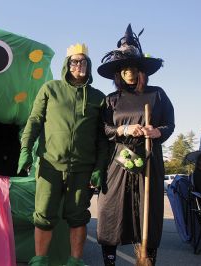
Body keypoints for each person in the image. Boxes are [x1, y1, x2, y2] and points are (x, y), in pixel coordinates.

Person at [17, 43, 108, 266]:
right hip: (49, 164)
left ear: (89, 64)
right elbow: (34, 121)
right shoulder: (50, 89)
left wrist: (99, 167)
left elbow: (103, 138)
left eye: (83, 61)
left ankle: (75, 262)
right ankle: (40, 260)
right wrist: (26, 150)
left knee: (78, 218)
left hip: (82, 168)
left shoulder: (98, 97)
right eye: (75, 61)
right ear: (67, 65)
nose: (79, 65)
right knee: (44, 216)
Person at [96, 24, 175, 265]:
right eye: (124, 69)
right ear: (118, 74)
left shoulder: (157, 94)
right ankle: (110, 260)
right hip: (119, 161)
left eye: (133, 68)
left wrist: (156, 131)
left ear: (141, 71)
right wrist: (122, 128)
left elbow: (169, 124)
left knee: (147, 212)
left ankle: (146, 259)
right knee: (111, 210)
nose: (129, 72)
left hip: (149, 159)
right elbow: (104, 130)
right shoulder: (111, 100)